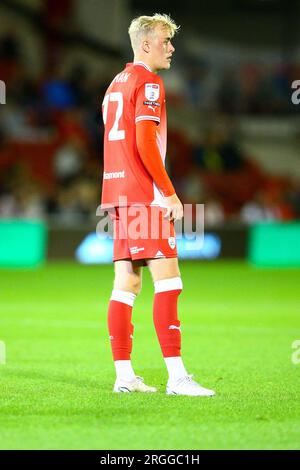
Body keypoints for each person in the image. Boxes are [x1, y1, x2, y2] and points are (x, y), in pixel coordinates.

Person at [101, 13, 215, 396]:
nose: (171, 47)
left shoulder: (115, 84)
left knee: (126, 284)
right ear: (145, 43)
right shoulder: (149, 82)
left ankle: (124, 376)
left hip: (116, 195)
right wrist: (168, 191)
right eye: (166, 40)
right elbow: (145, 142)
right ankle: (178, 377)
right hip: (143, 197)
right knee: (169, 282)